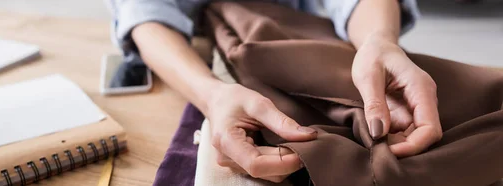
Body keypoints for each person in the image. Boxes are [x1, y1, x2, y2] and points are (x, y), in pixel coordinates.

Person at [110, 0, 442, 183]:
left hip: (300, 35)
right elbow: (146, 13)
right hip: (200, 59)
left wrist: (379, 41)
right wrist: (212, 95)